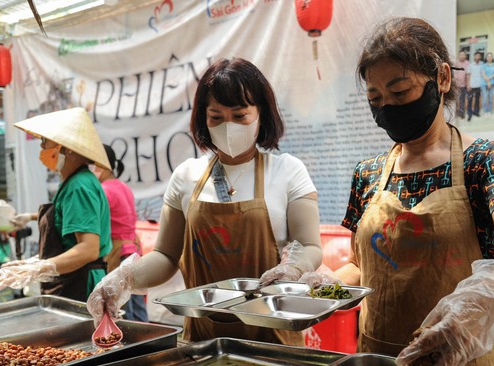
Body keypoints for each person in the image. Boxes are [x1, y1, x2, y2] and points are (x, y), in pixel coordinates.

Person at [335, 17, 494, 366]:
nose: (387, 107)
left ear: (443, 79)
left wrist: (479, 308)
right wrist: (310, 288)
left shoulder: (486, 160)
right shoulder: (367, 173)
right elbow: (361, 266)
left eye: (400, 93)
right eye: (376, 98)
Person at [86, 58, 323, 345]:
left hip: (274, 338)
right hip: (203, 339)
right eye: (216, 117)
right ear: (203, 118)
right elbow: (166, 256)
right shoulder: (187, 175)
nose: (228, 126)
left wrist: (294, 267)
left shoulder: (288, 170)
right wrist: (123, 278)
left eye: (240, 115)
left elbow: (308, 245)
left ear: (261, 113)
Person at [0, 107, 112, 302]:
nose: (42, 148)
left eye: (45, 142)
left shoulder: (79, 185)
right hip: (71, 280)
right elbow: (66, 244)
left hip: (81, 285)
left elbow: (88, 249)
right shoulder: (72, 183)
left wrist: (39, 268)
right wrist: (32, 263)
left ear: (66, 148)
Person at [90, 145, 148, 322]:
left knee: (121, 308)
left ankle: (131, 345)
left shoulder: (104, 191)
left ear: (101, 165)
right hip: (133, 250)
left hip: (117, 252)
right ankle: (148, 341)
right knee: (137, 304)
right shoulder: (123, 186)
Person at [466, 51, 483, 121]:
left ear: (480, 57)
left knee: (477, 100)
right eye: (476, 56)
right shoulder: (470, 65)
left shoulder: (482, 65)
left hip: (479, 85)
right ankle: (469, 114)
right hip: (471, 85)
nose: (477, 57)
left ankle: (476, 112)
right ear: (474, 57)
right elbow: (468, 75)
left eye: (479, 56)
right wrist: (468, 85)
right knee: (470, 100)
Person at [454, 51, 470, 119]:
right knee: (456, 99)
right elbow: (454, 73)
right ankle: (456, 112)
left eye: (463, 55)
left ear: (465, 56)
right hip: (456, 85)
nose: (462, 56)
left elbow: (468, 74)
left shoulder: (468, 63)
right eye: (461, 55)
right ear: (459, 56)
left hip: (464, 85)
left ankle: (462, 113)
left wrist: (468, 84)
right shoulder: (456, 63)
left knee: (462, 99)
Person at [480, 52, 494, 117]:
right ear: (486, 58)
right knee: (484, 97)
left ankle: (489, 111)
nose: (489, 58)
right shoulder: (484, 65)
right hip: (484, 83)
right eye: (488, 56)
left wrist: (489, 80)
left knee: (490, 97)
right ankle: (485, 111)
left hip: (492, 83)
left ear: (492, 58)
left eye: (490, 56)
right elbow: (483, 74)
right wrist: (488, 81)